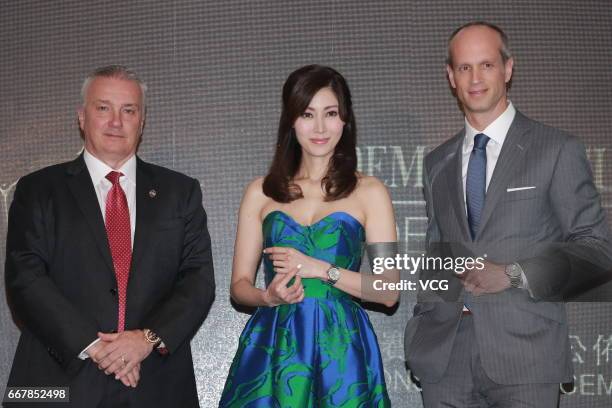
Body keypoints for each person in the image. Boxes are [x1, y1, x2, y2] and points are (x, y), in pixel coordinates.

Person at [404, 22, 612, 407]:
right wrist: (420, 332)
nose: (475, 78)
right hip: (444, 359)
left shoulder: (556, 149)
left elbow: (598, 252)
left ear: (508, 69)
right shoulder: (437, 162)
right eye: (464, 67)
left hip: (526, 355)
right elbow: (437, 254)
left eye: (486, 64)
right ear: (450, 76)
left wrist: (514, 274)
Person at [4, 65, 215, 407]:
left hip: (156, 383)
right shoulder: (38, 190)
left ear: (142, 121)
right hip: (55, 384)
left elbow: (199, 280)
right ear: (81, 117)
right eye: (103, 108)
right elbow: (24, 279)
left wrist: (145, 340)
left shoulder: (181, 192)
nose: (116, 121)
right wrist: (96, 347)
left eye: (128, 110)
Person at [219, 65, 398, 407]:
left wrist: (320, 269)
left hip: (341, 346)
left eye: (330, 114)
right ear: (291, 120)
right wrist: (268, 297)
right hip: (276, 340)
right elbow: (239, 285)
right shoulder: (260, 192)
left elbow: (389, 291)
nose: (319, 128)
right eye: (307, 113)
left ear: (345, 120)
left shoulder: (370, 191)